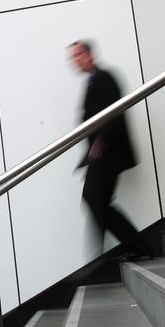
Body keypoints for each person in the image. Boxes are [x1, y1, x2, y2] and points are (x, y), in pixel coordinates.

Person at [68, 40, 152, 261]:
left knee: (94, 197)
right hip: (102, 155)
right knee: (97, 200)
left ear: (89, 55)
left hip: (110, 153)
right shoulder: (92, 81)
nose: (74, 61)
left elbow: (116, 111)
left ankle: (113, 252)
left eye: (77, 56)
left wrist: (101, 142)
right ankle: (124, 249)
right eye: (72, 57)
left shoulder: (104, 77)